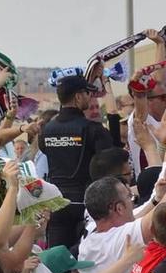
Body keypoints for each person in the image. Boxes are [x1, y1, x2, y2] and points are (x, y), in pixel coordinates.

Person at [38, 73, 118, 251]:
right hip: (86, 204)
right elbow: (112, 157)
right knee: (88, 259)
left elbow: (45, 150)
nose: (90, 97)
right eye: (87, 93)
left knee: (58, 262)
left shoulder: (47, 129)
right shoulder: (92, 129)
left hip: (56, 203)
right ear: (78, 96)